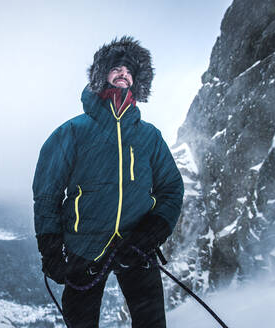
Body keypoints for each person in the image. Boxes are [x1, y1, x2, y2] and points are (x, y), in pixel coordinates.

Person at [33, 36, 184, 328]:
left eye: (129, 69)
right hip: (83, 248)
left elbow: (171, 188)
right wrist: (50, 246)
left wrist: (153, 231)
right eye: (116, 67)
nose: (123, 72)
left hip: (137, 245)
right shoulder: (73, 132)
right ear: (101, 76)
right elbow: (47, 193)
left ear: (137, 81)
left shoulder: (149, 136)